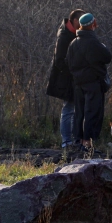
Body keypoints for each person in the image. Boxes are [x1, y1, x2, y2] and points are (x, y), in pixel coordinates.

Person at [65, 13, 112, 157]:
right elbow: (107, 57)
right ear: (93, 24)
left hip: (78, 83)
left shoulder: (73, 43)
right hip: (93, 83)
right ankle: (88, 144)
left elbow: (68, 62)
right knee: (92, 112)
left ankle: (78, 141)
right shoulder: (93, 42)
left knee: (79, 112)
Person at [46, 9, 84, 154]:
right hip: (65, 79)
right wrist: (74, 70)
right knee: (68, 109)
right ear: (74, 20)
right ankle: (66, 142)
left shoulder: (72, 34)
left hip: (71, 77)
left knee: (74, 109)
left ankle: (73, 141)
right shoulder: (64, 36)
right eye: (80, 21)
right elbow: (59, 61)